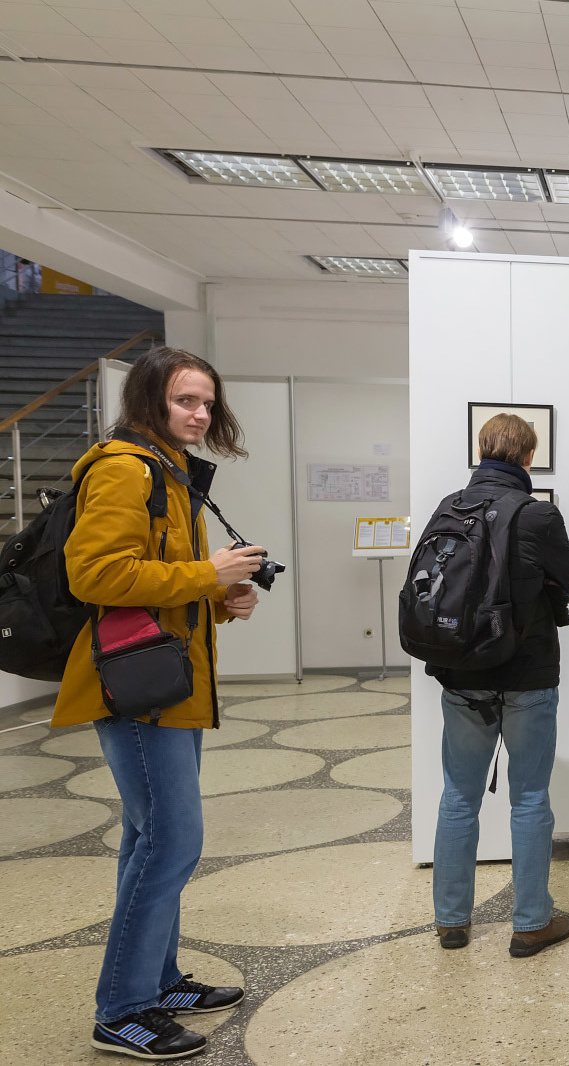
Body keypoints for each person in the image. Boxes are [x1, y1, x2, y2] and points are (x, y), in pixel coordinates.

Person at [51, 347, 268, 1061]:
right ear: (150, 400)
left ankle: (159, 980)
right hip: (137, 688)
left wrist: (220, 596)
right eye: (186, 401)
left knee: (150, 839)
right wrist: (208, 574)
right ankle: (121, 1009)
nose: (201, 414)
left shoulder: (167, 471)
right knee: (172, 841)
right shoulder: (125, 469)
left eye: (207, 403)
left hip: (167, 682)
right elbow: (96, 574)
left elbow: (156, 575)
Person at [429, 413, 569, 957]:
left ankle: (451, 922)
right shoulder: (538, 515)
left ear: (481, 449)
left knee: (458, 796)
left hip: (462, 675)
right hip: (527, 674)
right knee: (530, 797)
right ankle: (531, 923)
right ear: (529, 456)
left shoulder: (449, 507)